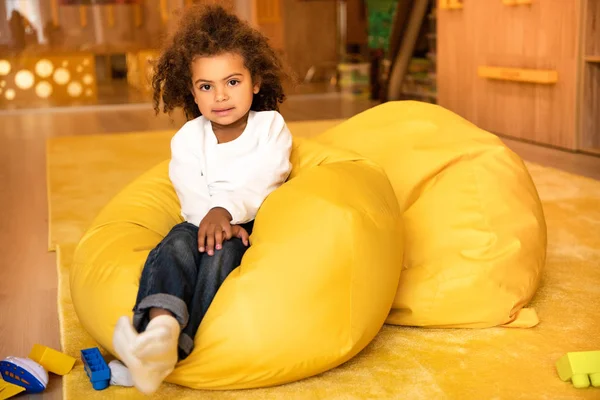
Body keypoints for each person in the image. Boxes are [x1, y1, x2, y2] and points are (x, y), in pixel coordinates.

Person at [112, 5, 293, 394]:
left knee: (221, 257)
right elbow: (189, 192)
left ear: (256, 82)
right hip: (199, 223)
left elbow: (269, 175)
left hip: (246, 228)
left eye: (232, 82)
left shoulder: (269, 128)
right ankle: (158, 327)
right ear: (191, 90)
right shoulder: (188, 138)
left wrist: (226, 213)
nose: (220, 96)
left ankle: (168, 351)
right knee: (174, 244)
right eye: (206, 86)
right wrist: (210, 216)